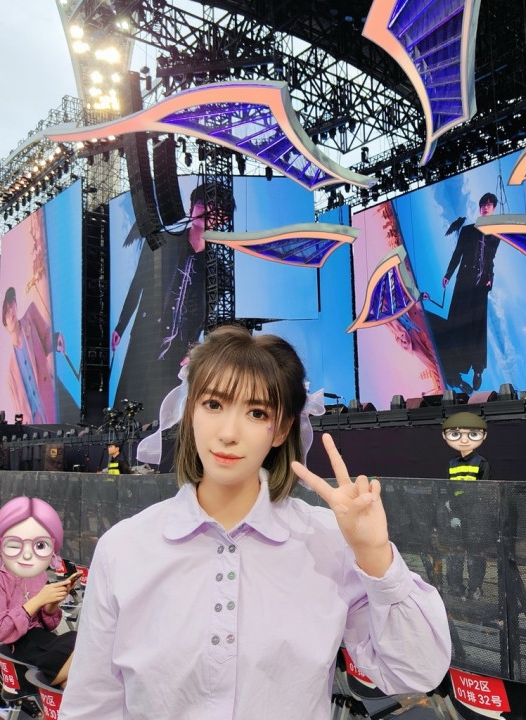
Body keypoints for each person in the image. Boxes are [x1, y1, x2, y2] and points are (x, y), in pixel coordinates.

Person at [60, 324, 452, 720]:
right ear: (189, 411)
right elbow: (92, 705)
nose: (229, 433)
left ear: (281, 430)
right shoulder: (125, 548)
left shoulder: (327, 542)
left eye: (257, 412)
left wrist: (376, 556)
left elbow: (416, 672)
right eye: (213, 404)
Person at [111, 182, 235, 421]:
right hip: (147, 334)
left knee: (161, 407)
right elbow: (138, 283)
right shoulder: (163, 242)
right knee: (129, 395)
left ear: (223, 219)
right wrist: (121, 326)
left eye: (215, 207)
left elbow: (208, 318)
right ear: (192, 206)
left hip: (179, 347)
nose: (206, 211)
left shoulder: (218, 269)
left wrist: (194, 351)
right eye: (202, 203)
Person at [0, 497, 81, 687]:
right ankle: (46, 684)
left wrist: (51, 603)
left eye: (39, 545)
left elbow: (48, 624)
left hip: (43, 642)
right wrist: (37, 601)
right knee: (82, 645)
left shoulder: (37, 574)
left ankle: (53, 686)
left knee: (85, 648)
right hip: (14, 650)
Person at [435, 193, 500, 392]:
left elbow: (490, 260)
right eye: (484, 204)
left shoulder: (495, 235)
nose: (486, 207)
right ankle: (455, 372)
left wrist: (490, 278)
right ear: (480, 208)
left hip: (481, 286)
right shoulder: (467, 230)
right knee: (457, 325)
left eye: (490, 204)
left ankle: (478, 369)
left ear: (493, 208)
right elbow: (457, 254)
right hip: (464, 282)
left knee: (477, 328)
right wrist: (448, 274)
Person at [433, 412, 491, 599]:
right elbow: (448, 488)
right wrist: (451, 510)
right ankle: (455, 587)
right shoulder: (452, 463)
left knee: (475, 552)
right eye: (456, 434)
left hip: (475, 513)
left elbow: (484, 489)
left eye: (472, 434)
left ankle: (475, 588)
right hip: (456, 512)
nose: (464, 440)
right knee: (455, 551)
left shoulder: (481, 462)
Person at [0, 287, 65, 424]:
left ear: (16, 305)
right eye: (6, 311)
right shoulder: (10, 374)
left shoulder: (31, 317)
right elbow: (19, 408)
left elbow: (47, 338)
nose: (11, 311)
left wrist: (56, 338)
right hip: (35, 423)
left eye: (11, 304)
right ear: (5, 326)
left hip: (50, 402)